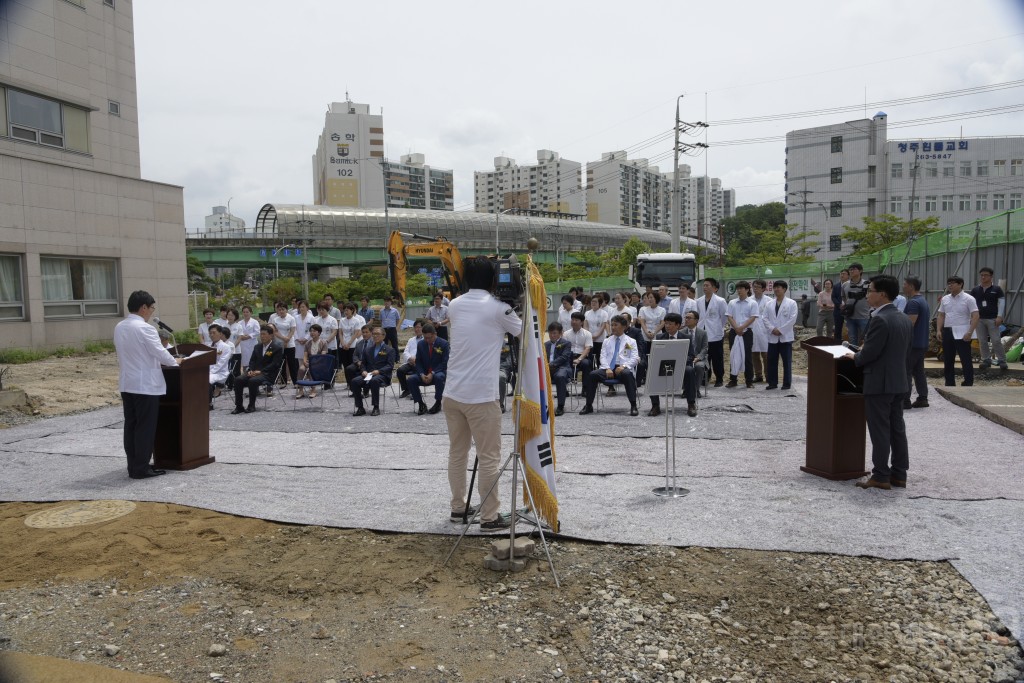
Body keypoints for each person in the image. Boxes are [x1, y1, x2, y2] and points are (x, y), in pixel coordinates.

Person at [443, 256, 522, 531]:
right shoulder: (499, 309)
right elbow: (524, 332)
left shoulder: (454, 304)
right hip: (481, 396)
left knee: (458, 453)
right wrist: (517, 305)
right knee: (489, 457)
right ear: (492, 279)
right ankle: (489, 517)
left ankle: (458, 508)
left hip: (452, 393)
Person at [845, 275, 912, 490]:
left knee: (880, 430)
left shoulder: (880, 319)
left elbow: (869, 354)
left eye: (870, 291)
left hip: (879, 383)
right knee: (897, 429)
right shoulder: (902, 317)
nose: (867, 295)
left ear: (882, 294)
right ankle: (899, 474)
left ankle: (881, 475)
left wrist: (855, 356)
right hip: (899, 381)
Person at [113, 290, 181, 479]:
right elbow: (160, 352)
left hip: (128, 383)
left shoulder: (120, 326)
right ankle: (141, 468)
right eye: (151, 308)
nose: (151, 312)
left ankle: (133, 466)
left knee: (131, 426)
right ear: (143, 307)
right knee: (145, 427)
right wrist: (175, 361)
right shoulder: (145, 328)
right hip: (145, 386)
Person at [579, 315, 640, 416]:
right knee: (593, 374)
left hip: (622, 368)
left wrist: (623, 366)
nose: (613, 327)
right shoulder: (607, 341)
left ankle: (633, 405)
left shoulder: (631, 341)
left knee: (627, 374)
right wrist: (607, 368)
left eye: (616, 325)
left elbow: (635, 358)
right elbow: (602, 357)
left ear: (624, 327)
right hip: (608, 369)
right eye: (612, 325)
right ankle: (588, 405)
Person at [648, 312, 699, 418]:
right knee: (651, 370)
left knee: (689, 370)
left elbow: (691, 355)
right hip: (664, 366)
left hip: (681, 366)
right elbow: (655, 354)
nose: (667, 326)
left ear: (677, 325)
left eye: (670, 324)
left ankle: (691, 404)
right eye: (666, 323)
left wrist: (680, 361)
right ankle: (655, 405)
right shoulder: (660, 337)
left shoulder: (686, 337)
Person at [936, 275, 979, 387]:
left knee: (965, 359)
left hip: (963, 331)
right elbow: (941, 315)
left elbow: (975, 315)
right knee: (948, 359)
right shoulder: (945, 299)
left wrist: (970, 332)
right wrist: (939, 330)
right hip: (948, 331)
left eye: (953, 283)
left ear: (960, 284)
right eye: (949, 283)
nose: (950, 285)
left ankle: (968, 382)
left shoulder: (969, 299)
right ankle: (949, 382)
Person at [232, 326, 283, 414]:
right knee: (238, 380)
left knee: (252, 381)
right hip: (254, 371)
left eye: (264, 334)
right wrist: (251, 370)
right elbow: (252, 361)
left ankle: (251, 405)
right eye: (261, 334)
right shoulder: (257, 347)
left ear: (271, 335)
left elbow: (275, 364)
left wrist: (261, 371)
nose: (262, 336)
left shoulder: (276, 348)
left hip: (267, 373)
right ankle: (239, 406)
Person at [350, 327, 396, 416]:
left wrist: (379, 371)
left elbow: (390, 366)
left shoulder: (389, 350)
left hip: (382, 375)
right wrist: (363, 371)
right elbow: (363, 364)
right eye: (374, 334)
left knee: (375, 381)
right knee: (355, 381)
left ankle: (376, 407)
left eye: (378, 334)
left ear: (383, 336)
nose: (375, 336)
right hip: (369, 374)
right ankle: (360, 407)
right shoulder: (368, 349)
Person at [761, 281, 798, 391]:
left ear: (784, 289)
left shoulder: (791, 303)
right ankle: (772, 382)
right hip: (772, 337)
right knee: (771, 361)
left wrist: (781, 330)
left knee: (786, 362)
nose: (777, 289)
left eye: (779, 287)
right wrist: (772, 329)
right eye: (775, 287)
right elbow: (764, 318)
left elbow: (793, 319)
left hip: (785, 337)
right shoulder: (769, 304)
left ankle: (786, 383)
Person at [902, 276, 930, 409]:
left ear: (911, 286)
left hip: (912, 343)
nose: (903, 287)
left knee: (906, 371)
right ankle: (923, 398)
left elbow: (910, 323)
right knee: (918, 371)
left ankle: (905, 400)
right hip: (922, 342)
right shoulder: (923, 300)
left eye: (905, 284)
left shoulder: (913, 303)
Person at [409, 322, 449, 415]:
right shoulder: (421, 344)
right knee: (411, 379)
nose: (427, 340)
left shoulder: (444, 344)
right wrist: (422, 374)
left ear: (435, 334)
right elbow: (418, 362)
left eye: (429, 337)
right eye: (425, 337)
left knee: (439, 377)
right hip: (425, 373)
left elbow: (445, 362)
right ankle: (421, 404)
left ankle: (438, 402)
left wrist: (433, 373)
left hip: (438, 372)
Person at [972, 267, 1007, 370]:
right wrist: (972, 317)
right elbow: (971, 303)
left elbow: (1001, 302)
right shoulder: (975, 290)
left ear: (991, 276)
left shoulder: (996, 289)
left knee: (996, 340)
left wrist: (999, 316)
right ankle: (986, 360)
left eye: (985, 275)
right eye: (981, 275)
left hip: (993, 318)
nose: (983, 277)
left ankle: (1002, 360)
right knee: (982, 341)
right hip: (979, 319)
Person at [726, 281, 758, 388]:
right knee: (733, 355)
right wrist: (736, 328)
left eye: (741, 288)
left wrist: (742, 328)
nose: (739, 290)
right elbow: (729, 316)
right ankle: (733, 380)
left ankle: (749, 380)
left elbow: (753, 317)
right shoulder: (732, 302)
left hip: (747, 332)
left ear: (747, 290)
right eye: (738, 288)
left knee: (747, 356)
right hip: (734, 332)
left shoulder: (752, 303)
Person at [697, 278, 728, 387]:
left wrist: (719, 326)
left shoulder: (720, 301)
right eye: (704, 285)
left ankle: (719, 378)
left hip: (715, 333)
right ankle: (705, 377)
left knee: (717, 358)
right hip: (702, 332)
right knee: (704, 357)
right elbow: (699, 316)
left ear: (714, 288)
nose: (705, 287)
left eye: (707, 285)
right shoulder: (699, 300)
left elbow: (724, 317)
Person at [545, 321, 573, 417]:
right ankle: (543, 404)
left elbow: (564, 357)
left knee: (560, 376)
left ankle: (560, 406)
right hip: (548, 368)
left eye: (554, 333)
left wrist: (551, 364)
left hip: (562, 367)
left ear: (560, 333)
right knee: (536, 375)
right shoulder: (546, 344)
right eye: (550, 333)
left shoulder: (566, 343)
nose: (552, 335)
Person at [296, 323, 330, 399]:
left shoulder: (323, 343)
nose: (312, 333)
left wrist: (313, 363)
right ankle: (300, 390)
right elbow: (305, 355)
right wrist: (304, 362)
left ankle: (313, 389)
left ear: (319, 333)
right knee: (301, 369)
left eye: (314, 331)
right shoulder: (308, 343)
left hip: (319, 363)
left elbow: (322, 356)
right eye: (311, 331)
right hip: (308, 362)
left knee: (312, 369)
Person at [683, 310, 709, 407]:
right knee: (684, 367)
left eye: (689, 318)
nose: (687, 320)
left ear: (696, 320)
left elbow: (705, 348)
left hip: (700, 358)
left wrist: (698, 357)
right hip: (686, 358)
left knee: (699, 367)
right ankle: (686, 389)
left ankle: (696, 390)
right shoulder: (681, 332)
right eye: (686, 317)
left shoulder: (703, 333)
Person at [269, 302, 298, 388]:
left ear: (286, 309)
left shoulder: (291, 318)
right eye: (279, 309)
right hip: (279, 343)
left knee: (292, 363)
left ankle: (295, 381)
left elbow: (292, 330)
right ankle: (283, 381)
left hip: (290, 343)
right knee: (281, 362)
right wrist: (283, 339)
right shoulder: (275, 319)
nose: (281, 311)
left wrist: (287, 339)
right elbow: (275, 331)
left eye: (283, 309)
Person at [842, 263, 871, 347]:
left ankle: (865, 357)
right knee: (852, 338)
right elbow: (844, 297)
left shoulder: (867, 284)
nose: (851, 271)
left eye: (854, 269)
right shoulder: (845, 285)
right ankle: (853, 357)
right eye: (850, 269)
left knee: (866, 338)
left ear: (860, 271)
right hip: (850, 316)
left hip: (864, 316)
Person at [396, 320, 424, 398]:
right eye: (415, 327)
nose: (417, 329)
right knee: (400, 371)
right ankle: (407, 389)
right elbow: (406, 352)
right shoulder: (411, 340)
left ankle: (416, 391)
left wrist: (416, 359)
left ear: (423, 328)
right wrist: (410, 358)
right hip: (410, 362)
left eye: (419, 327)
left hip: (421, 363)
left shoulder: (426, 340)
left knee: (416, 371)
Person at [207, 324, 232, 409]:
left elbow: (221, 363)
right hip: (209, 371)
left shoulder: (226, 347)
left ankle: (208, 404)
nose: (211, 335)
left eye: (214, 333)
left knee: (206, 379)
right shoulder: (207, 346)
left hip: (220, 372)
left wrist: (209, 372)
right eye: (210, 333)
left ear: (220, 334)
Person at [563, 311, 594, 380]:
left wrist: (579, 359)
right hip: (569, 356)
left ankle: (586, 388)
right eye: (572, 319)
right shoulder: (566, 334)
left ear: (582, 322)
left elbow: (587, 348)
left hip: (582, 356)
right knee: (563, 364)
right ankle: (565, 386)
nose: (573, 322)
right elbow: (564, 348)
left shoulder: (587, 334)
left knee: (586, 364)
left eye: (576, 320)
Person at [751, 279, 770, 383]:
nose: (755, 289)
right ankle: (758, 375)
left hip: (764, 331)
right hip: (753, 329)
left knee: (766, 355)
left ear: (763, 289)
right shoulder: (749, 300)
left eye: (758, 287)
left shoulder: (769, 301)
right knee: (754, 354)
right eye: (754, 286)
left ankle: (768, 375)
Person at [337, 302, 365, 371]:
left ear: (352, 310)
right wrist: (342, 343)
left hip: (352, 345)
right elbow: (340, 333)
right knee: (345, 364)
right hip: (342, 345)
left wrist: (349, 344)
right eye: (345, 310)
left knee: (352, 364)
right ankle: (348, 381)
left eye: (347, 310)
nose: (345, 312)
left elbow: (356, 333)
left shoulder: (356, 320)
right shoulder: (342, 320)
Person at [584, 295, 610, 361]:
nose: (593, 303)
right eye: (592, 301)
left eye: (595, 302)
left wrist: (595, 336)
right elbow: (586, 326)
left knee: (599, 357)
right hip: (589, 339)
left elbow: (603, 326)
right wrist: (589, 336)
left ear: (600, 303)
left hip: (600, 339)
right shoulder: (587, 313)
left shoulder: (604, 313)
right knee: (590, 357)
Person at [237, 306, 261, 375]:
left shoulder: (254, 322)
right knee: (244, 362)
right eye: (244, 312)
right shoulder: (239, 323)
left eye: (247, 312)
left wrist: (249, 336)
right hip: (242, 344)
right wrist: (242, 336)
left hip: (252, 343)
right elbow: (238, 332)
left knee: (253, 361)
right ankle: (245, 376)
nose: (245, 313)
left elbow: (257, 332)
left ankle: (253, 376)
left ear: (251, 313)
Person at [833, 269, 849, 342]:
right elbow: (833, 297)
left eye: (844, 274)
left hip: (850, 310)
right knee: (837, 328)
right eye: (841, 274)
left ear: (848, 275)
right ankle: (837, 343)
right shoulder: (836, 286)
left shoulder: (851, 285)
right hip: (838, 310)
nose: (842, 275)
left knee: (850, 328)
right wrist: (839, 304)